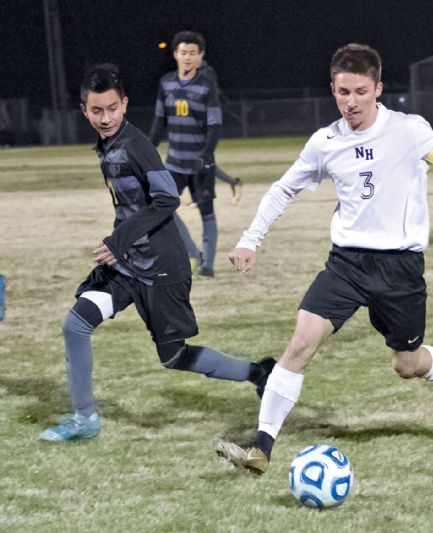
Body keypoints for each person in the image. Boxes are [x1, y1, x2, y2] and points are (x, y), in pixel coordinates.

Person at [215, 43, 433, 475]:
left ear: (378, 88)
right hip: (347, 264)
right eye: (342, 92)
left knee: (406, 364)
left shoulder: (409, 130)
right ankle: (261, 447)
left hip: (400, 268)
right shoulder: (326, 142)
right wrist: (250, 239)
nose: (351, 101)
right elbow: (283, 188)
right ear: (333, 90)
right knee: (300, 344)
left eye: (360, 91)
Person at [39, 64, 274, 443]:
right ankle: (85, 420)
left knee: (174, 357)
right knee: (76, 324)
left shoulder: (135, 145)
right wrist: (121, 244)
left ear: (125, 105)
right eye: (96, 110)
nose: (105, 118)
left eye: (112, 108)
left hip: (162, 267)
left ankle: (259, 373)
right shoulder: (107, 146)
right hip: (128, 264)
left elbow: (167, 199)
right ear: (84, 110)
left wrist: (119, 239)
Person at [149, 31, 220, 277]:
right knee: (161, 207)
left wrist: (206, 155)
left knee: (206, 212)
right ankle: (193, 253)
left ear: (200, 56)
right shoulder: (165, 83)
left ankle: (208, 265)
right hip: (175, 163)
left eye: (192, 53)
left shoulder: (207, 86)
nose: (187, 57)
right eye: (183, 53)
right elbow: (159, 121)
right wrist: (148, 149)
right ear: (175, 55)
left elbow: (215, 125)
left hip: (200, 164)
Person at [196, 50, 243, 205]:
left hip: (207, 125)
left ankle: (204, 195)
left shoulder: (206, 72)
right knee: (205, 162)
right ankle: (229, 184)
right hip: (201, 124)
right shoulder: (201, 73)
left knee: (205, 161)